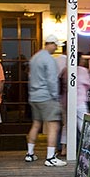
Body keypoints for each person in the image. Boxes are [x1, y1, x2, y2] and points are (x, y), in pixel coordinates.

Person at [25, 34, 67, 167]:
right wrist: (55, 97)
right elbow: (52, 80)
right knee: (54, 126)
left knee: (36, 124)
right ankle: (50, 158)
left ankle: (30, 154)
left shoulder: (34, 58)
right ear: (51, 44)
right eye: (55, 46)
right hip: (47, 97)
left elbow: (30, 78)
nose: (56, 48)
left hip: (34, 97)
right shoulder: (49, 60)